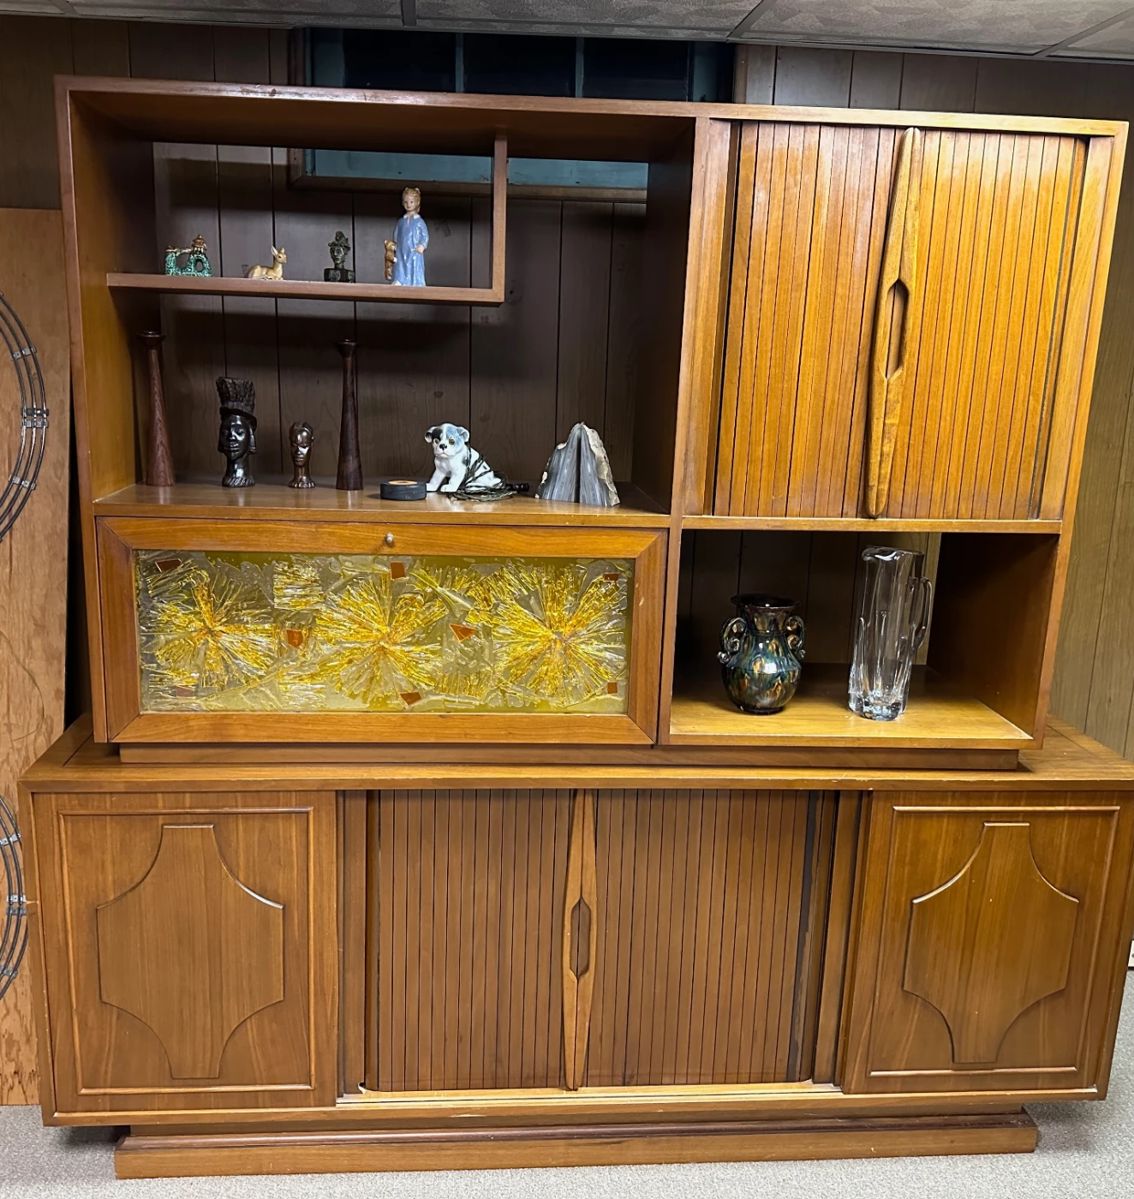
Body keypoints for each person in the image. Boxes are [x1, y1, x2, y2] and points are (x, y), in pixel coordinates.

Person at [392, 186, 429, 287]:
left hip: (414, 249)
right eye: (406, 202)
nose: (408, 205)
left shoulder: (419, 222)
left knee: (414, 265)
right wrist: (394, 244)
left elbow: (425, 235)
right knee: (400, 264)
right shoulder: (401, 221)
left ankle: (416, 282)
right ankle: (400, 279)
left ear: (417, 203)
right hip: (401, 249)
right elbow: (396, 233)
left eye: (411, 202)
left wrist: (422, 245)